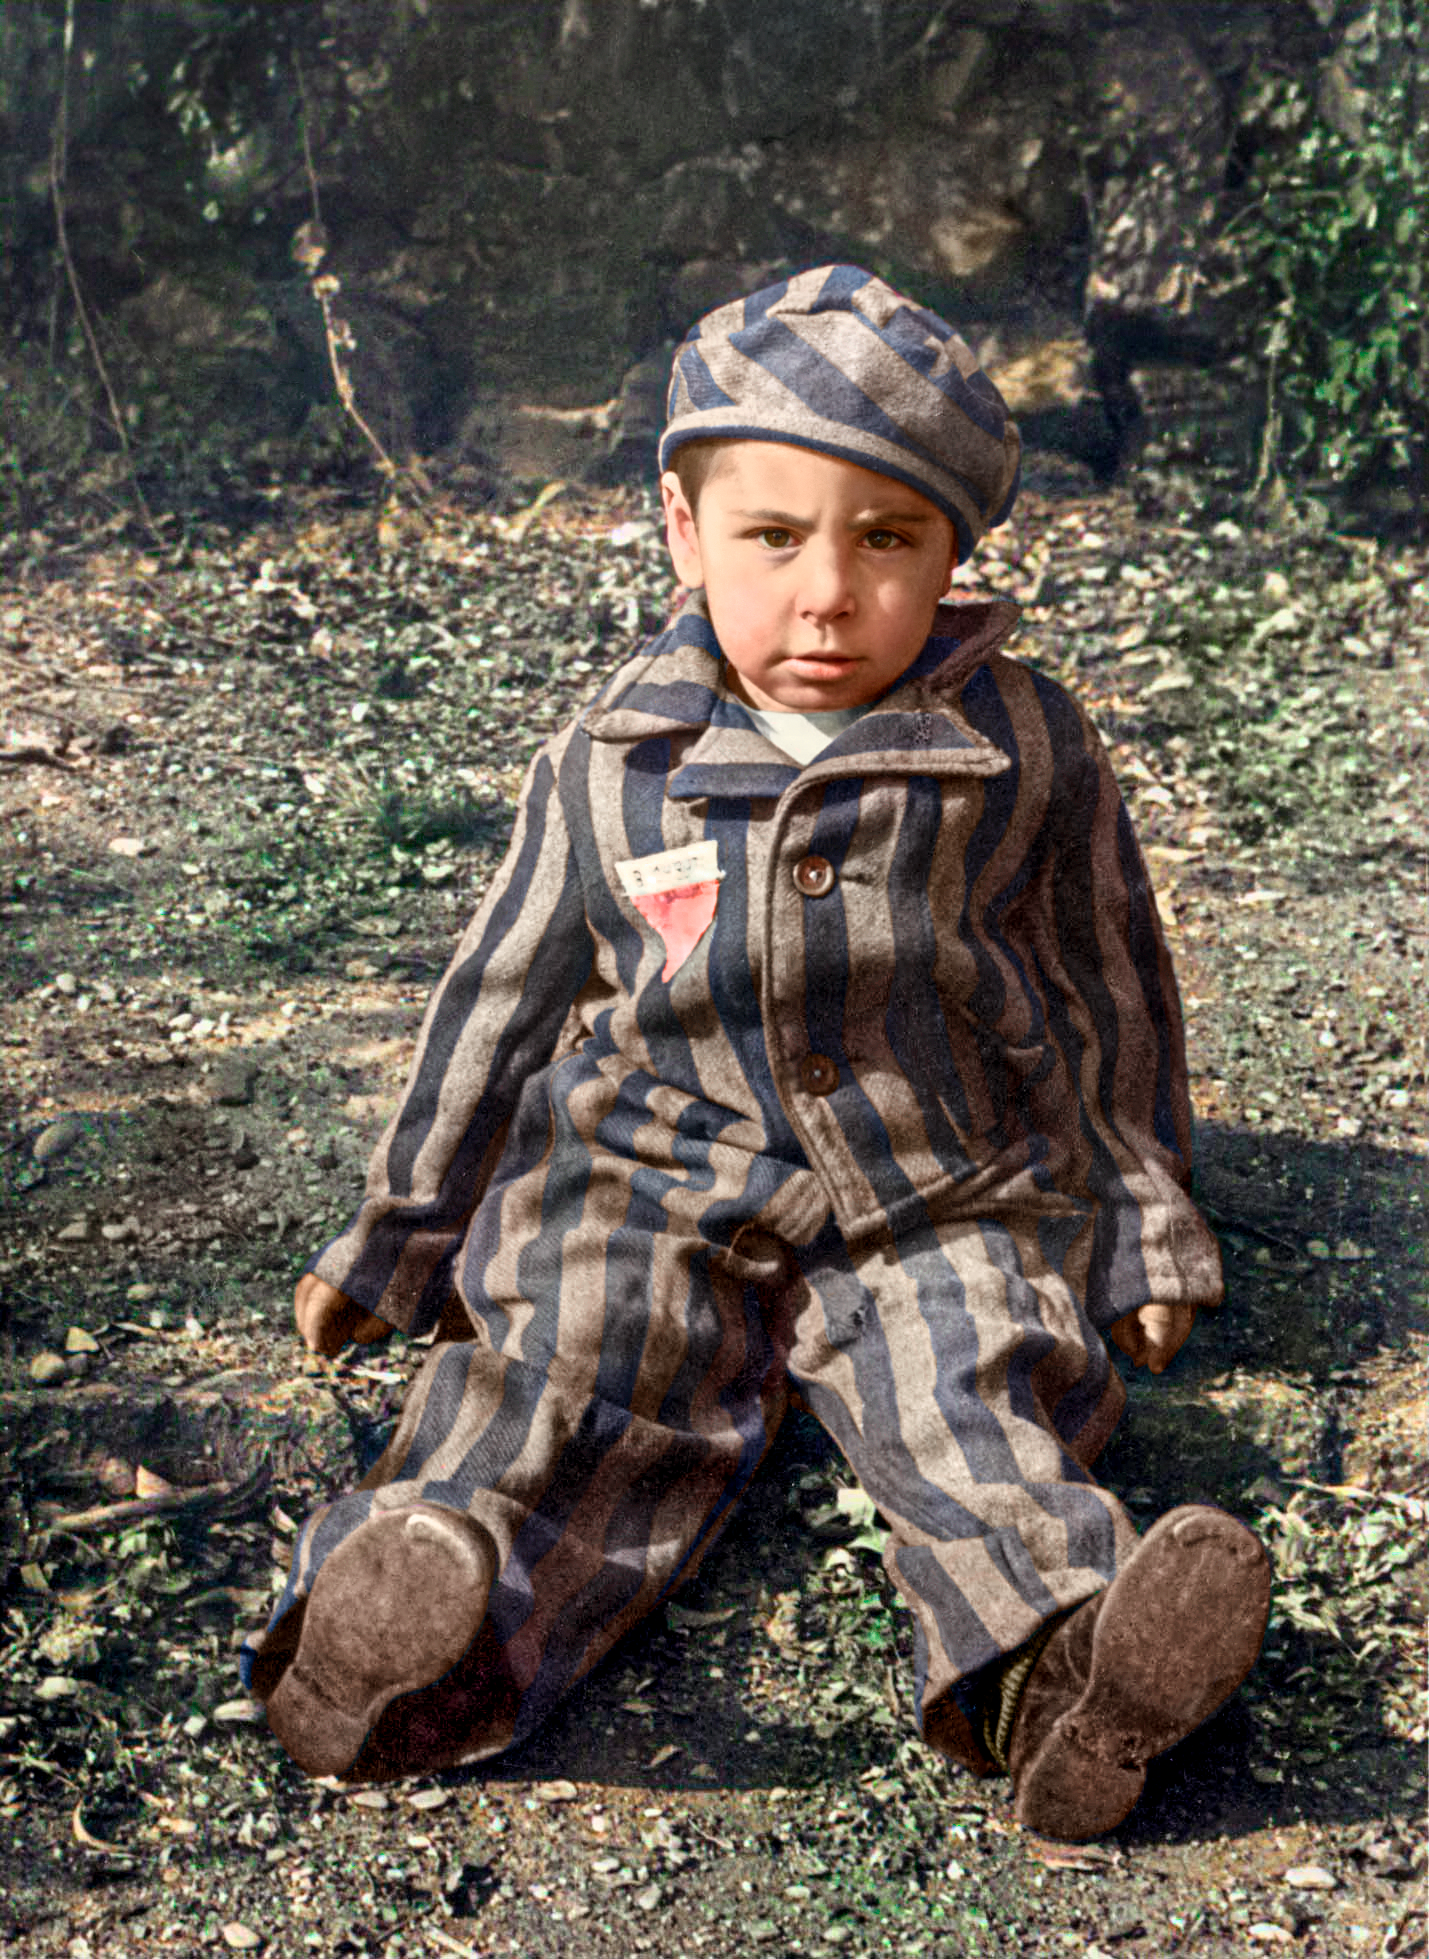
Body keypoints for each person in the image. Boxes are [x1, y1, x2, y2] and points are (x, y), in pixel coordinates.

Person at [243, 264, 1269, 1842]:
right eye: (773, 538)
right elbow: (496, 1000)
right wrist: (401, 1231)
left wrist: (1142, 1219)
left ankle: (1075, 1677)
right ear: (682, 529)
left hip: (938, 1177)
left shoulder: (1022, 747)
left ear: (955, 553)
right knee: (566, 1364)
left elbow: (1105, 988)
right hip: (646, 1170)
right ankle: (391, 1639)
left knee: (974, 1384)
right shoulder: (612, 759)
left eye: (889, 541)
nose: (827, 594)